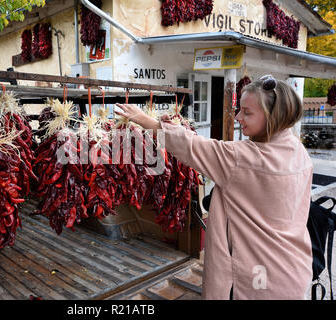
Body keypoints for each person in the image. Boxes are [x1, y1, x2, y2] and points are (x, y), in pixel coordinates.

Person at [115, 75, 313, 300]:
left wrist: (143, 119)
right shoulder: (299, 152)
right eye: (240, 110)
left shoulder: (241, 158)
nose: (238, 117)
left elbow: (192, 147)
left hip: (255, 279)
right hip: (293, 270)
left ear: (272, 117)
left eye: (247, 113)